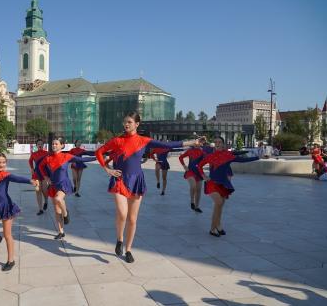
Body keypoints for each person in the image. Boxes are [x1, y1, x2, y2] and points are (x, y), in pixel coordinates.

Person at [95, 111, 201, 263]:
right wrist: (107, 169)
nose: (126, 124)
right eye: (125, 122)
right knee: (122, 214)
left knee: (132, 218)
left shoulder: (143, 141)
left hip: (137, 180)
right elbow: (99, 151)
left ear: (137, 124)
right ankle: (119, 239)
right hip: (119, 179)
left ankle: (129, 249)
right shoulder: (117, 140)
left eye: (129, 122)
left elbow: (167, 145)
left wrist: (191, 143)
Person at [0, 153, 38, 271]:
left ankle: (10, 260)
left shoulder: (5, 175)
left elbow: (17, 178)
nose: (1, 164)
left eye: (4, 162)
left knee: (7, 235)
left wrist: (30, 181)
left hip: (6, 207)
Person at [197, 137, 259, 237]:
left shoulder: (228, 155)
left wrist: (258, 157)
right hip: (212, 183)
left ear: (223, 144)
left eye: (219, 142)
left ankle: (216, 226)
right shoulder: (210, 156)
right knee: (218, 202)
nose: (217, 143)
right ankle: (214, 227)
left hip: (224, 184)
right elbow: (199, 166)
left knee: (219, 206)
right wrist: (204, 176)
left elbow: (242, 160)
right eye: (216, 142)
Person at [39, 137, 96, 239]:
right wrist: (46, 177)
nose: (54, 145)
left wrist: (98, 157)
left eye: (56, 144)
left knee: (58, 198)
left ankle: (66, 213)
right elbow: (40, 167)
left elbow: (82, 159)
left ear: (62, 145)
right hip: (53, 185)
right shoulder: (48, 158)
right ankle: (61, 231)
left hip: (63, 183)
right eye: (53, 144)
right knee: (57, 211)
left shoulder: (66, 156)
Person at [179, 146, 207, 213]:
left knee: (198, 190)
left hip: (199, 172)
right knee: (193, 185)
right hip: (190, 171)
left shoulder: (203, 151)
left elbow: (207, 159)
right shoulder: (190, 150)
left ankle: (197, 207)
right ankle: (192, 202)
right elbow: (181, 157)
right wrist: (184, 165)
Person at [28, 139, 49, 215]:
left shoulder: (47, 153)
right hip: (36, 173)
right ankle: (40, 209)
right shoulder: (33, 154)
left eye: (41, 144)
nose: (40, 145)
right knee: (37, 190)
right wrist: (32, 168)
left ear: (43, 145)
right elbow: (30, 161)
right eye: (38, 144)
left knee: (44, 190)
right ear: (36, 145)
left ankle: (46, 201)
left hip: (44, 173)